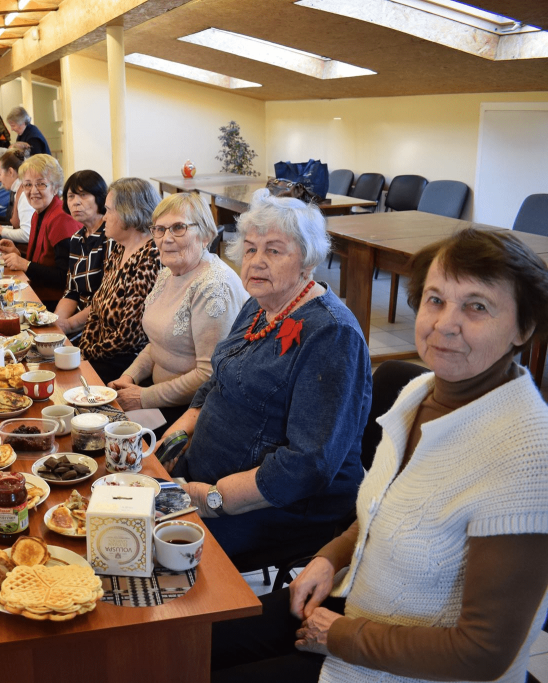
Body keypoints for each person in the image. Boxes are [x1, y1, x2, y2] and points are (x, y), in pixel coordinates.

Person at [211, 227, 548, 683]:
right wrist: (330, 556)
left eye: (477, 306)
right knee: (191, 642)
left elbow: (485, 652)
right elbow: (384, 508)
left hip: (404, 666)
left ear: (524, 328)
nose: (446, 323)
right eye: (435, 299)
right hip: (357, 603)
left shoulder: (527, 455)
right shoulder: (420, 392)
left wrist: (344, 636)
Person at [160, 190, 370, 561]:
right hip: (204, 475)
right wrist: (177, 436)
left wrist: (211, 498)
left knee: (153, 548)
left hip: (273, 507)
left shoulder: (332, 335)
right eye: (251, 248)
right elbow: (218, 378)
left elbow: (308, 464)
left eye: (274, 250)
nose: (256, 261)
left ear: (307, 260)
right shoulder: (261, 305)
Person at [109, 193, 248, 425]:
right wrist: (129, 377)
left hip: (191, 411)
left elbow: (209, 375)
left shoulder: (214, 286)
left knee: (106, 433)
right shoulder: (168, 273)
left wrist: (143, 397)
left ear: (205, 236)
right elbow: (158, 344)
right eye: (159, 229)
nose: (166, 238)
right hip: (156, 395)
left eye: (178, 228)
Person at [78, 177, 163, 383]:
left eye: (108, 210)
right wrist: (82, 349)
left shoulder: (151, 256)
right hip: (99, 355)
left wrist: (87, 355)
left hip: (126, 365)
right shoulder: (118, 247)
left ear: (128, 213)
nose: (104, 217)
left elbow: (130, 337)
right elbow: (97, 309)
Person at [0, 154, 81, 308]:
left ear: (55, 187)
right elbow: (40, 262)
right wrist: (18, 254)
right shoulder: (39, 213)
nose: (33, 191)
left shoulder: (61, 219)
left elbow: (64, 278)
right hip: (35, 293)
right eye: (28, 185)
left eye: (41, 184)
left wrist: (25, 264)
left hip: (53, 303)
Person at [55, 170, 110, 336]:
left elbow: (106, 298)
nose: (76, 202)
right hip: (77, 319)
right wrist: (56, 322)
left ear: (100, 197)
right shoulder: (77, 239)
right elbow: (71, 291)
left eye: (84, 195)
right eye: (71, 196)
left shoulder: (111, 237)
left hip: (100, 324)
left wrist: (68, 325)